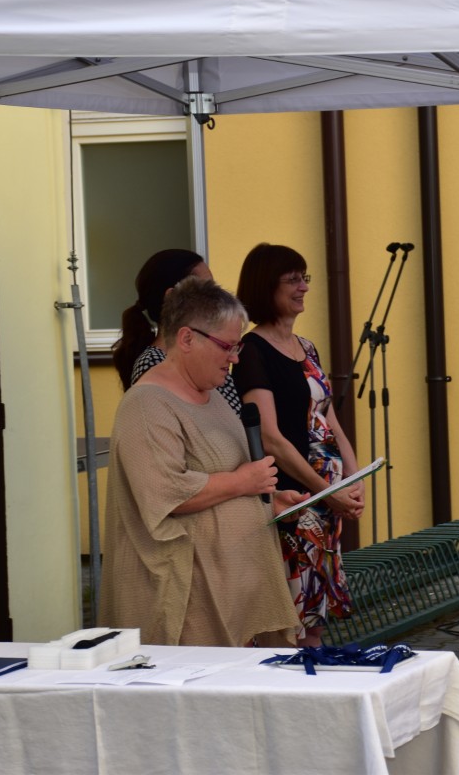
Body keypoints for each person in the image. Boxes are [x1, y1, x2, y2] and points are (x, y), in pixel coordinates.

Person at [100, 277, 302, 647]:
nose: (235, 358)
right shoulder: (146, 405)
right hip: (186, 603)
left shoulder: (215, 397)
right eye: (228, 346)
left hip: (237, 592)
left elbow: (227, 477)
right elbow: (167, 492)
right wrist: (243, 483)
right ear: (187, 339)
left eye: (238, 346)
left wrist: (271, 504)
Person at [232, 243, 364, 647]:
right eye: (292, 279)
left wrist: (354, 477)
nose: (303, 287)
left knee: (316, 615)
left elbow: (330, 418)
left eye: (304, 277)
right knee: (292, 618)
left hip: (325, 503)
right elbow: (270, 436)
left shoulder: (307, 347)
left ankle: (314, 673)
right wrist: (327, 492)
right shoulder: (252, 351)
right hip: (296, 500)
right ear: (265, 286)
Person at [111, 248, 242, 414]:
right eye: (207, 291)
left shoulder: (208, 358)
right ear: (173, 298)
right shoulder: (153, 365)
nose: (216, 300)